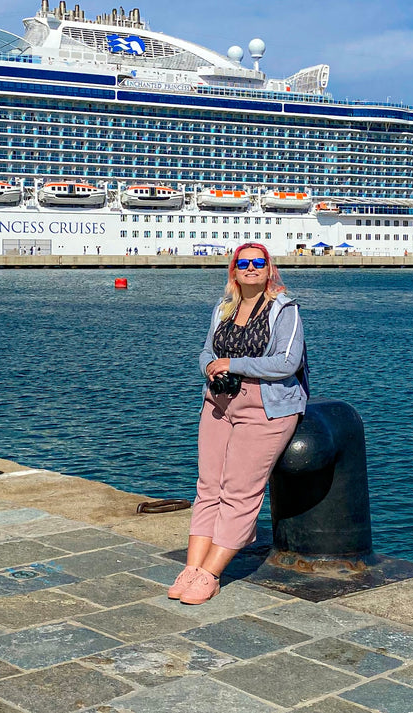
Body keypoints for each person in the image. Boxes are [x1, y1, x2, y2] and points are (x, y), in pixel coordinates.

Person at [169, 243, 307, 605]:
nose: (250, 268)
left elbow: (286, 363)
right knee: (208, 486)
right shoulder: (223, 308)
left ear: (268, 270)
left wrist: (234, 364)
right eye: (243, 263)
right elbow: (206, 352)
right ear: (233, 270)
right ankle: (192, 568)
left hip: (266, 407)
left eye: (257, 263)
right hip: (218, 403)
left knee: (240, 493)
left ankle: (211, 574)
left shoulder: (284, 310)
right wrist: (211, 369)